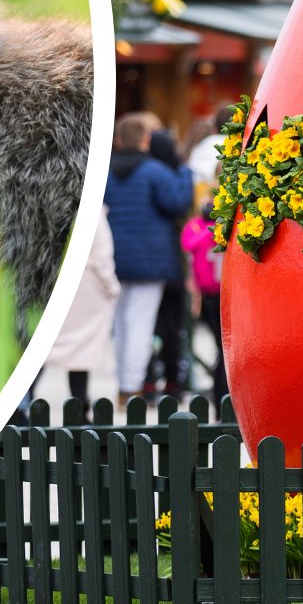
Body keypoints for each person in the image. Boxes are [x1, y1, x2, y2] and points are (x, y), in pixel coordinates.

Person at [105, 112, 193, 407]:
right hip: (150, 261)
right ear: (145, 140)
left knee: (120, 324)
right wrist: (184, 172)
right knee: (140, 325)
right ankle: (131, 388)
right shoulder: (155, 171)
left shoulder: (105, 175)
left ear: (118, 140)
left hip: (115, 259)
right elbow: (178, 202)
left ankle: (122, 384)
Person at [41, 207, 119, 415]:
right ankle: (79, 404)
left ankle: (23, 402)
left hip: (55, 282)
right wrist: (112, 288)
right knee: (82, 350)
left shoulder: (56, 205)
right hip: (88, 287)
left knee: (45, 346)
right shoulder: (93, 214)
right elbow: (103, 255)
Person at [146, 127, 193, 396]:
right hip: (167, 259)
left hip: (139, 261)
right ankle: (174, 380)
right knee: (172, 324)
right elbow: (179, 203)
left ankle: (149, 378)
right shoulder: (166, 175)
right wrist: (185, 173)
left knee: (148, 325)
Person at [182, 198, 228, 405]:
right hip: (210, 294)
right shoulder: (200, 227)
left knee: (223, 348)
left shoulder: (217, 226)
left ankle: (221, 400)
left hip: (220, 292)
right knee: (223, 348)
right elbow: (188, 243)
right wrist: (211, 229)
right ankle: (221, 401)